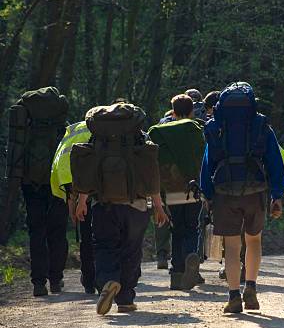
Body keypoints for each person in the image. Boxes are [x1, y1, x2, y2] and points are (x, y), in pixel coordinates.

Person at [200, 82, 284, 313]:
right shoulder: (261, 126)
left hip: (224, 192)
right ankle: (250, 288)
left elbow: (207, 163)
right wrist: (277, 195)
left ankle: (233, 297)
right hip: (256, 191)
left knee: (231, 246)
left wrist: (207, 194)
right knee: (253, 240)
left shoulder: (215, 126)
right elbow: (274, 161)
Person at [72, 102, 167, 315]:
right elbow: (151, 175)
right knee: (131, 251)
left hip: (103, 204)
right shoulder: (141, 139)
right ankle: (125, 299)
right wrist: (159, 207)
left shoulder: (97, 141)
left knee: (105, 246)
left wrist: (81, 202)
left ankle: (108, 281)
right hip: (137, 205)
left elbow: (88, 172)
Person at [6, 87, 69, 296]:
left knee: (36, 232)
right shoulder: (60, 122)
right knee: (57, 231)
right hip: (57, 183)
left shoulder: (27, 121)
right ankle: (56, 279)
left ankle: (38, 283)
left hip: (30, 182)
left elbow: (17, 149)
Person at [149, 94, 206, 290]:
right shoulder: (197, 130)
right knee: (192, 228)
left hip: (169, 191)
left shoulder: (159, 132)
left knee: (176, 230)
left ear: (172, 112)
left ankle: (176, 274)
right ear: (192, 111)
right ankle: (191, 256)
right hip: (193, 190)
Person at [51, 120, 96, 294]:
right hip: (103, 191)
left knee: (86, 236)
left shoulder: (71, 132)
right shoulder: (105, 131)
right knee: (103, 237)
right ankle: (102, 278)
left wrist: (72, 207)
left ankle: (89, 281)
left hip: (75, 188)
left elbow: (65, 172)